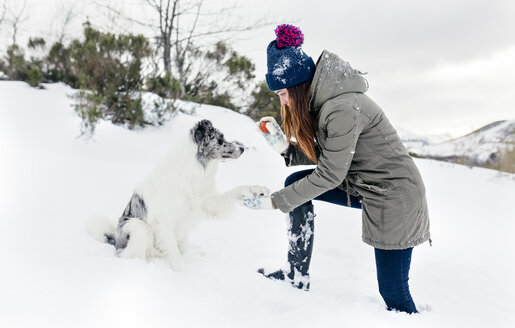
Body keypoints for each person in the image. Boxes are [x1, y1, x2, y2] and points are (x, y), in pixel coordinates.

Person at [240, 24, 431, 314]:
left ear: (296, 86)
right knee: (296, 183)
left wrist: (275, 201)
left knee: (393, 291)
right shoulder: (326, 102)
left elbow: (331, 174)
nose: (283, 101)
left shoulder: (341, 107)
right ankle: (296, 273)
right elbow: (334, 158)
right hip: (368, 186)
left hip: (395, 196)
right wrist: (287, 150)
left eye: (282, 93)